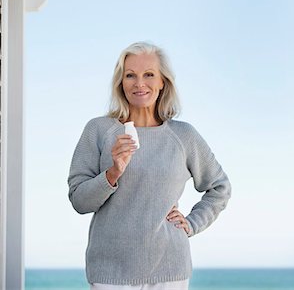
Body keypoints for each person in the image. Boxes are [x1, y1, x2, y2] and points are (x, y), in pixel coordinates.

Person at [68, 42, 231, 290]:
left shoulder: (183, 136)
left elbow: (220, 187)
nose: (139, 83)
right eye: (130, 75)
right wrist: (112, 173)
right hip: (110, 272)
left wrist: (192, 223)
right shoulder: (99, 130)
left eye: (149, 75)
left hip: (169, 271)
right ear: (121, 82)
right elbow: (79, 201)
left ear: (162, 82)